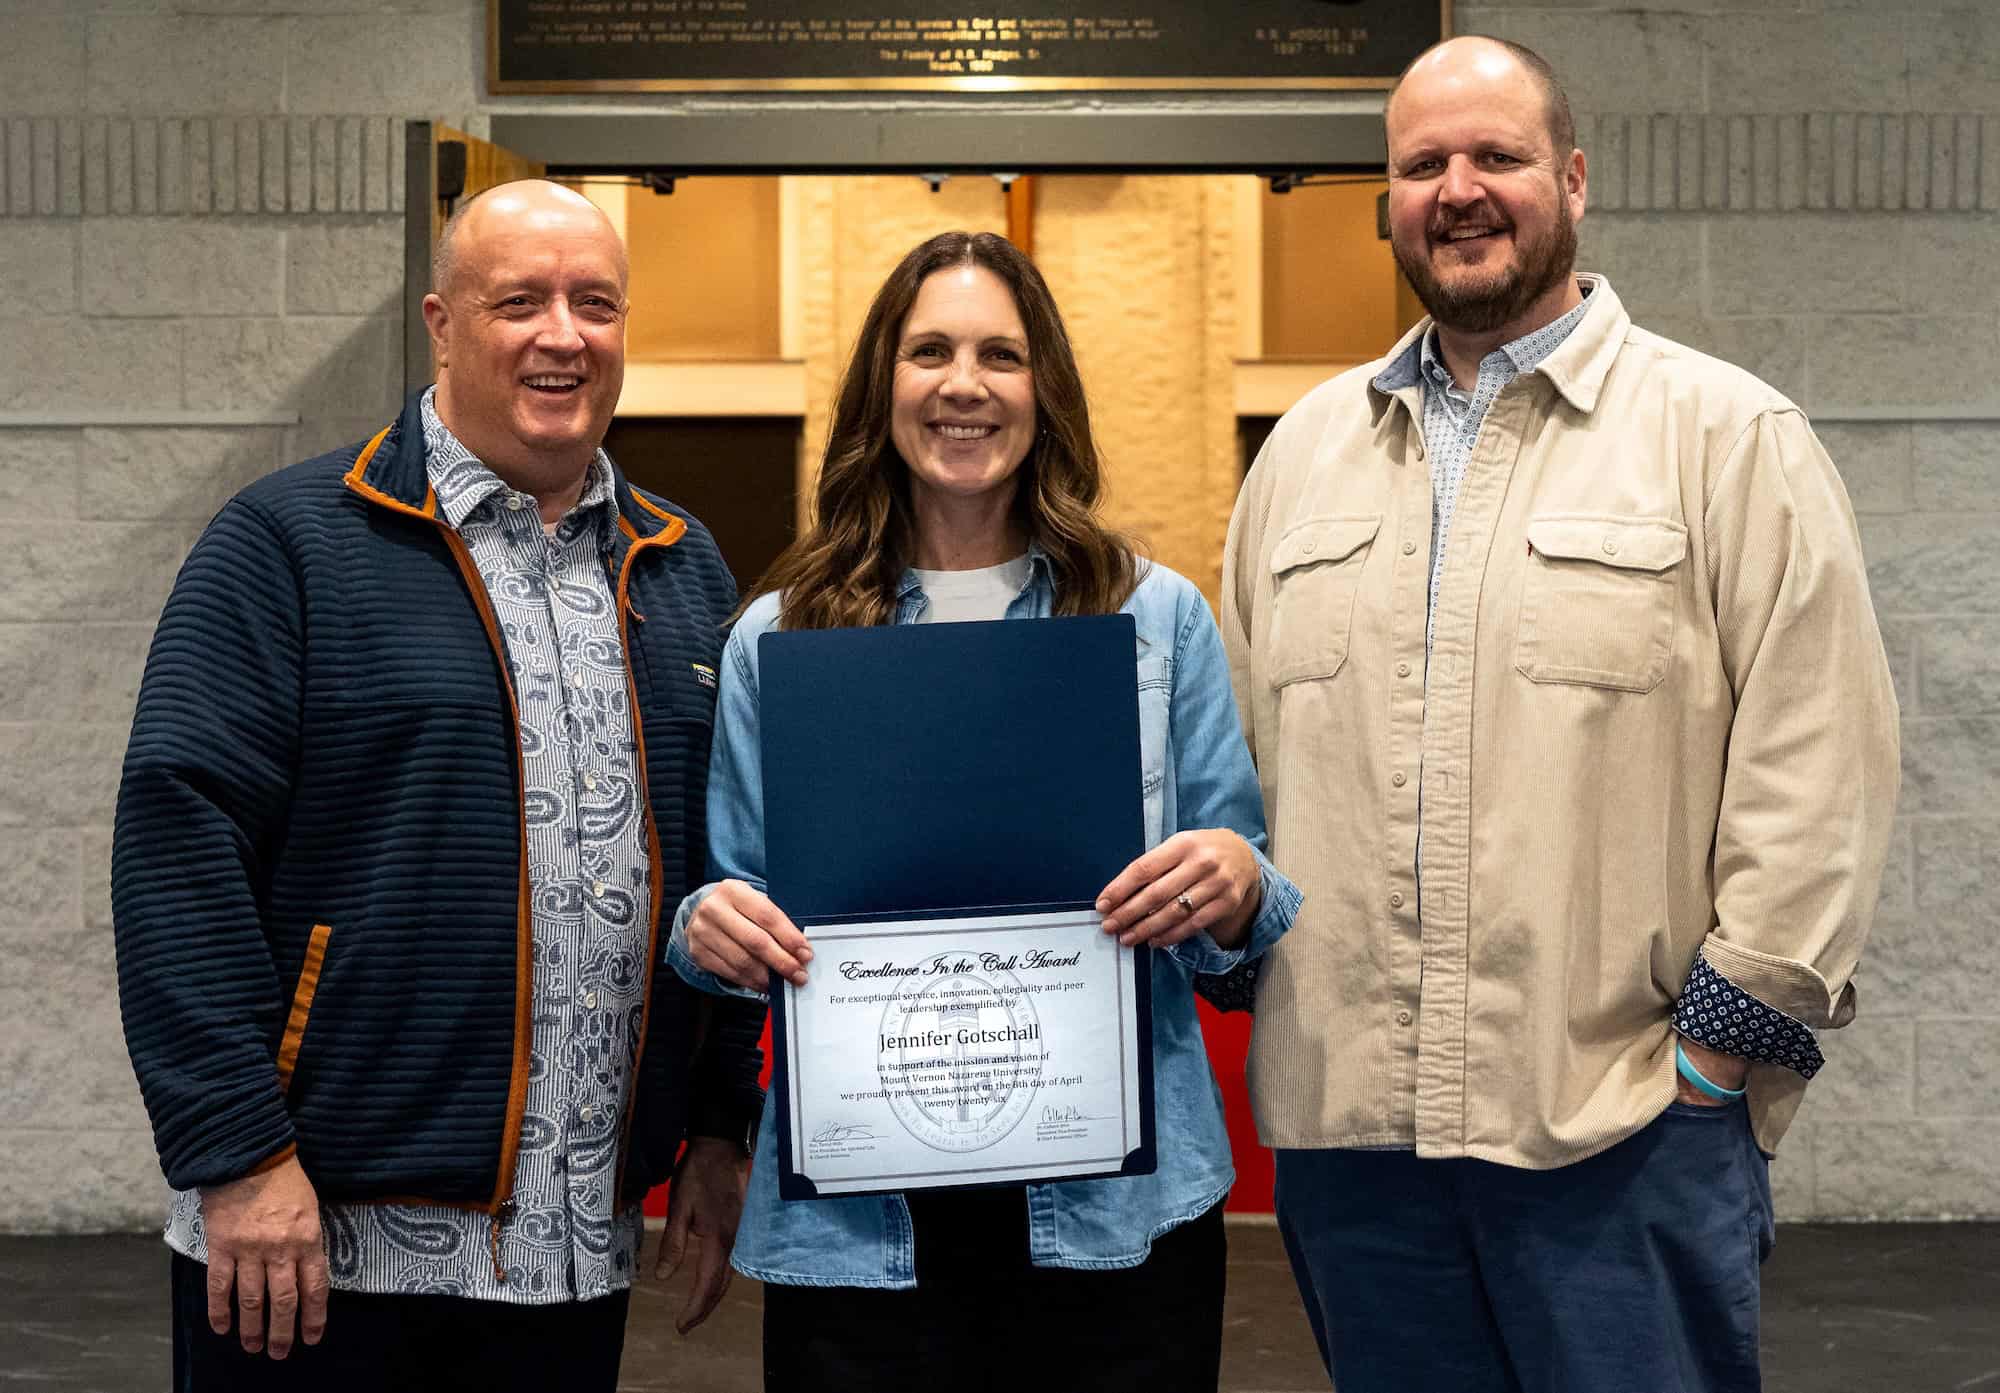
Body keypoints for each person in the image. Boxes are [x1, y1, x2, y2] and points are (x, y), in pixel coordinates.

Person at [1220, 35, 1900, 1393]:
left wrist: (1715, 1058)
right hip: (1360, 1155)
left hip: (1619, 1136)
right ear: (1387, 203)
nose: (1458, 189)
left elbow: (1818, 760)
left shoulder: (1725, 436)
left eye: (1497, 156)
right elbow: (1241, 765)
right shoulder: (1300, 459)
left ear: (1574, 178)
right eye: (1422, 165)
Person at [113, 179, 765, 1391]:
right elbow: (175, 847)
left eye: (595, 303)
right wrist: (239, 1153)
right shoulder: (291, 544)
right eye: (518, 300)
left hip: (572, 1246)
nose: (561, 334)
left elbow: (728, 868)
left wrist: (721, 1125)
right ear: (442, 322)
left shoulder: (679, 564)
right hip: (315, 1240)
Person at [666, 230, 1300, 1392]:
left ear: (1042, 388)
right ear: (882, 387)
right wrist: (709, 923)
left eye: (1000, 355)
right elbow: (729, 899)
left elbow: (1245, 913)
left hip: (1119, 1211)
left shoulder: (1155, 620)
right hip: (864, 1227)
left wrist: (1233, 879)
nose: (964, 385)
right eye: (930, 351)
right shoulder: (782, 638)